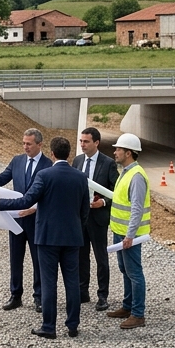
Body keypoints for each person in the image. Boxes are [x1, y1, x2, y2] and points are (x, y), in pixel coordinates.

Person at [0, 137, 89, 339]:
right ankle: (72, 326)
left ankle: (49, 327)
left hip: (47, 238)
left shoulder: (44, 175)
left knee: (49, 282)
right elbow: (84, 209)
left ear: (52, 153)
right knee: (72, 282)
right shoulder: (80, 177)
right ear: (68, 154)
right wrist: (76, 228)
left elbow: (26, 200)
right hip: (72, 238)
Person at [0, 128, 52, 312]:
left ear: (39, 144)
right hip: (15, 220)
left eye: (29, 144)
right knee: (15, 259)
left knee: (38, 260)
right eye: (23, 143)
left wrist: (34, 208)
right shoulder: (17, 161)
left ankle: (39, 297)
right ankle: (16, 295)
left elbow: (49, 195)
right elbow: (2, 178)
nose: (25, 147)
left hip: (36, 220)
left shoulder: (48, 165)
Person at [107, 133, 149, 329]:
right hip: (120, 231)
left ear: (129, 153)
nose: (115, 152)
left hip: (129, 235)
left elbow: (137, 209)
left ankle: (138, 314)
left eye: (118, 149)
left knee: (134, 272)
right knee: (125, 270)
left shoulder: (137, 176)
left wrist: (130, 235)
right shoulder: (125, 171)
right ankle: (127, 306)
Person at [75, 127, 118, 311]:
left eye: (86, 142)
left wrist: (104, 202)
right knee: (81, 256)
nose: (82, 145)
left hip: (98, 218)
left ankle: (103, 296)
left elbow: (117, 191)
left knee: (101, 258)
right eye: (81, 141)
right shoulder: (77, 161)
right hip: (80, 218)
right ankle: (82, 292)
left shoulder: (108, 163)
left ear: (96, 143)